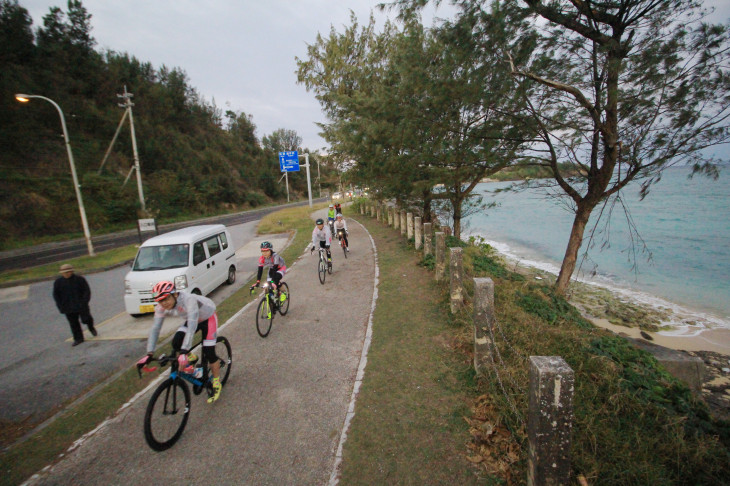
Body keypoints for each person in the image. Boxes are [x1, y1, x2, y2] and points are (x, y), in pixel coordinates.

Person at [138, 281, 223, 403]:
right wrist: (149, 354)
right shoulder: (161, 307)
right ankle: (192, 358)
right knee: (176, 342)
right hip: (192, 319)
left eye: (166, 298)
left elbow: (192, 325)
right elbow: (155, 329)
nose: (164, 303)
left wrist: (184, 351)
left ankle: (216, 382)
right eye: (160, 300)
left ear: (175, 294)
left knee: (209, 352)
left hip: (207, 317)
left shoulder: (188, 300)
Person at [52, 263, 96, 346]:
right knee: (73, 323)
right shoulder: (58, 282)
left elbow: (86, 291)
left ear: (72, 271)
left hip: (81, 305)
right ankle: (78, 338)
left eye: (69, 272)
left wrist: (84, 302)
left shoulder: (80, 279)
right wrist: (61, 306)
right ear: (61, 273)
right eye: (65, 272)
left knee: (86, 319)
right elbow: (56, 295)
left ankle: (91, 327)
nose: (67, 273)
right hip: (68, 307)